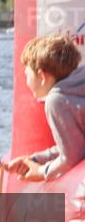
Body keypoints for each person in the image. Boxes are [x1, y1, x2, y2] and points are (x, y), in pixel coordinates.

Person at [6, 34, 85, 181]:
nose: (26, 82)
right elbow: (76, 145)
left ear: (42, 76)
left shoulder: (57, 100)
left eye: (27, 75)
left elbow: (71, 157)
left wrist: (41, 172)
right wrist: (36, 159)